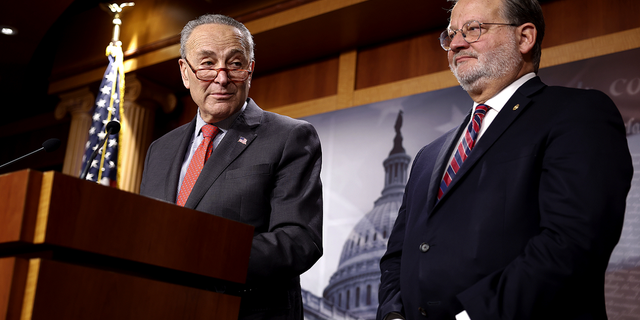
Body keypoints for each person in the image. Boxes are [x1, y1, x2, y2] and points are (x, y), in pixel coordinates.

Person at [377, 0, 633, 319]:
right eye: (451, 33)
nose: (456, 43)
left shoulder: (577, 114)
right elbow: (398, 257)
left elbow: (572, 242)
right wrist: (393, 314)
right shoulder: (428, 156)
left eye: (473, 29)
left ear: (524, 37)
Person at [139, 14, 323, 320]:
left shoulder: (290, 136)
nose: (221, 78)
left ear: (250, 71)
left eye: (235, 64)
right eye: (208, 64)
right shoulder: (160, 149)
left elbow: (299, 239)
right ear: (185, 72)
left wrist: (201, 256)